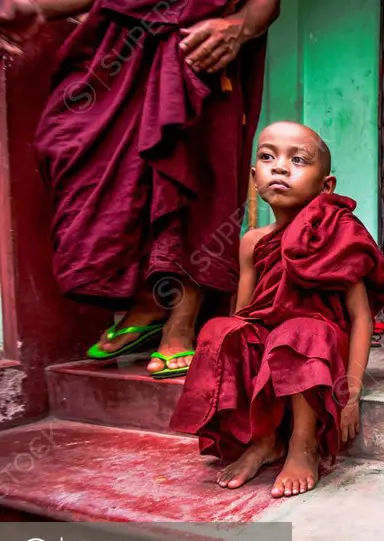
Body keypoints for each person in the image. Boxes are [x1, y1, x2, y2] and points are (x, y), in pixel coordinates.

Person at [0, 0, 279, 378]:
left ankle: (180, 315)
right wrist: (32, 8)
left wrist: (241, 26)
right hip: (117, 46)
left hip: (197, 41)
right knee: (67, 142)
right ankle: (149, 300)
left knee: (189, 167)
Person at [169, 122, 384, 497]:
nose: (280, 167)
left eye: (298, 159)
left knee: (298, 330)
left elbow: (361, 317)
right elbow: (245, 316)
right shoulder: (251, 242)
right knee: (221, 330)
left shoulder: (336, 232)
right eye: (268, 156)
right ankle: (263, 439)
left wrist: (351, 392)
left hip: (321, 345)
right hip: (276, 346)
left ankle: (302, 444)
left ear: (326, 187)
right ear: (254, 176)